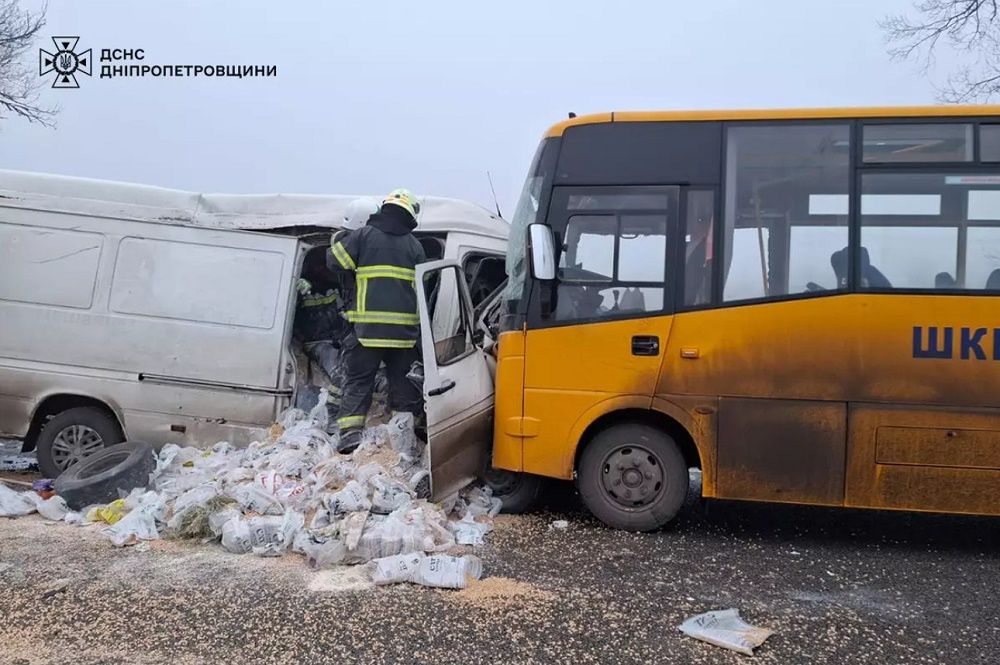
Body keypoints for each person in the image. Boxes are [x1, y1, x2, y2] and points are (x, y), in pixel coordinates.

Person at [328, 189, 426, 453]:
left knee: (359, 381)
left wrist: (344, 238)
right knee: (403, 387)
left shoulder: (363, 236)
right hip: (403, 336)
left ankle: (350, 436)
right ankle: (403, 443)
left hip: (367, 332)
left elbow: (334, 261)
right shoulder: (415, 247)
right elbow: (425, 288)